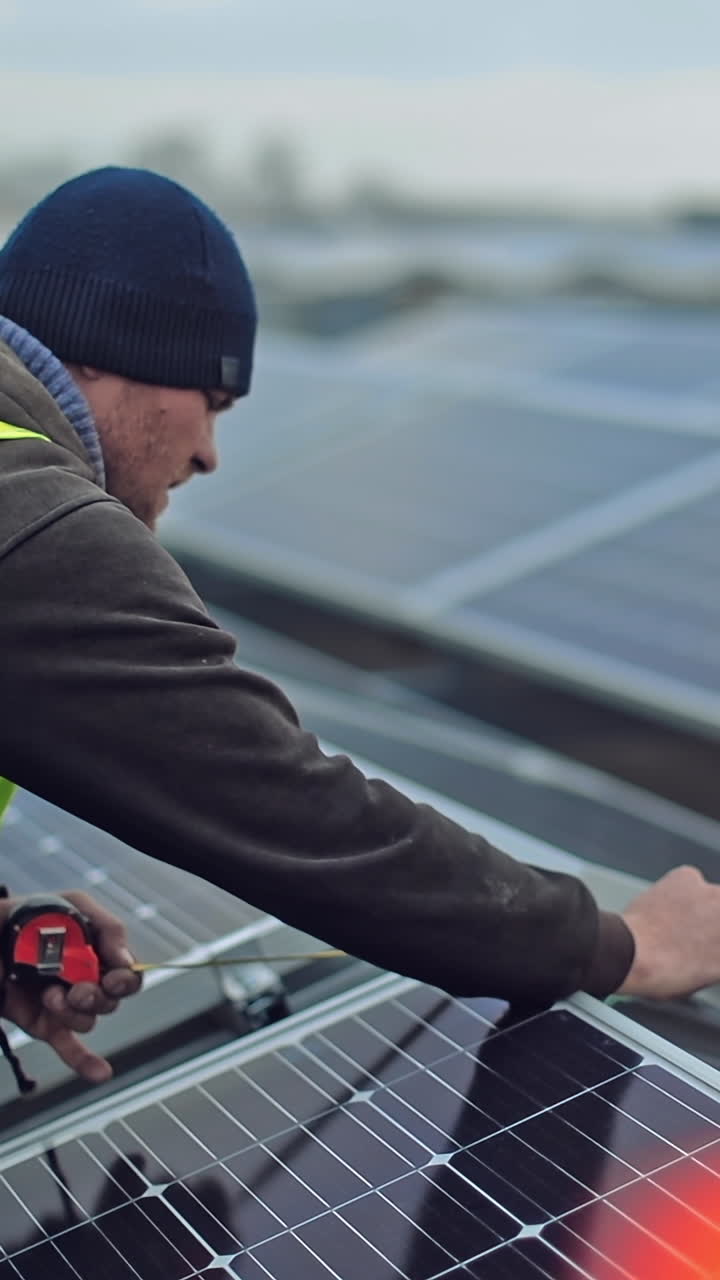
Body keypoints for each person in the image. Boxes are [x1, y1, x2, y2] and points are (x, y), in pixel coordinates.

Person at [0, 167, 717, 1089]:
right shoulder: (36, 526)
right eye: (213, 401)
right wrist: (624, 945)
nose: (211, 454)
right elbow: (293, 810)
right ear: (103, 352)